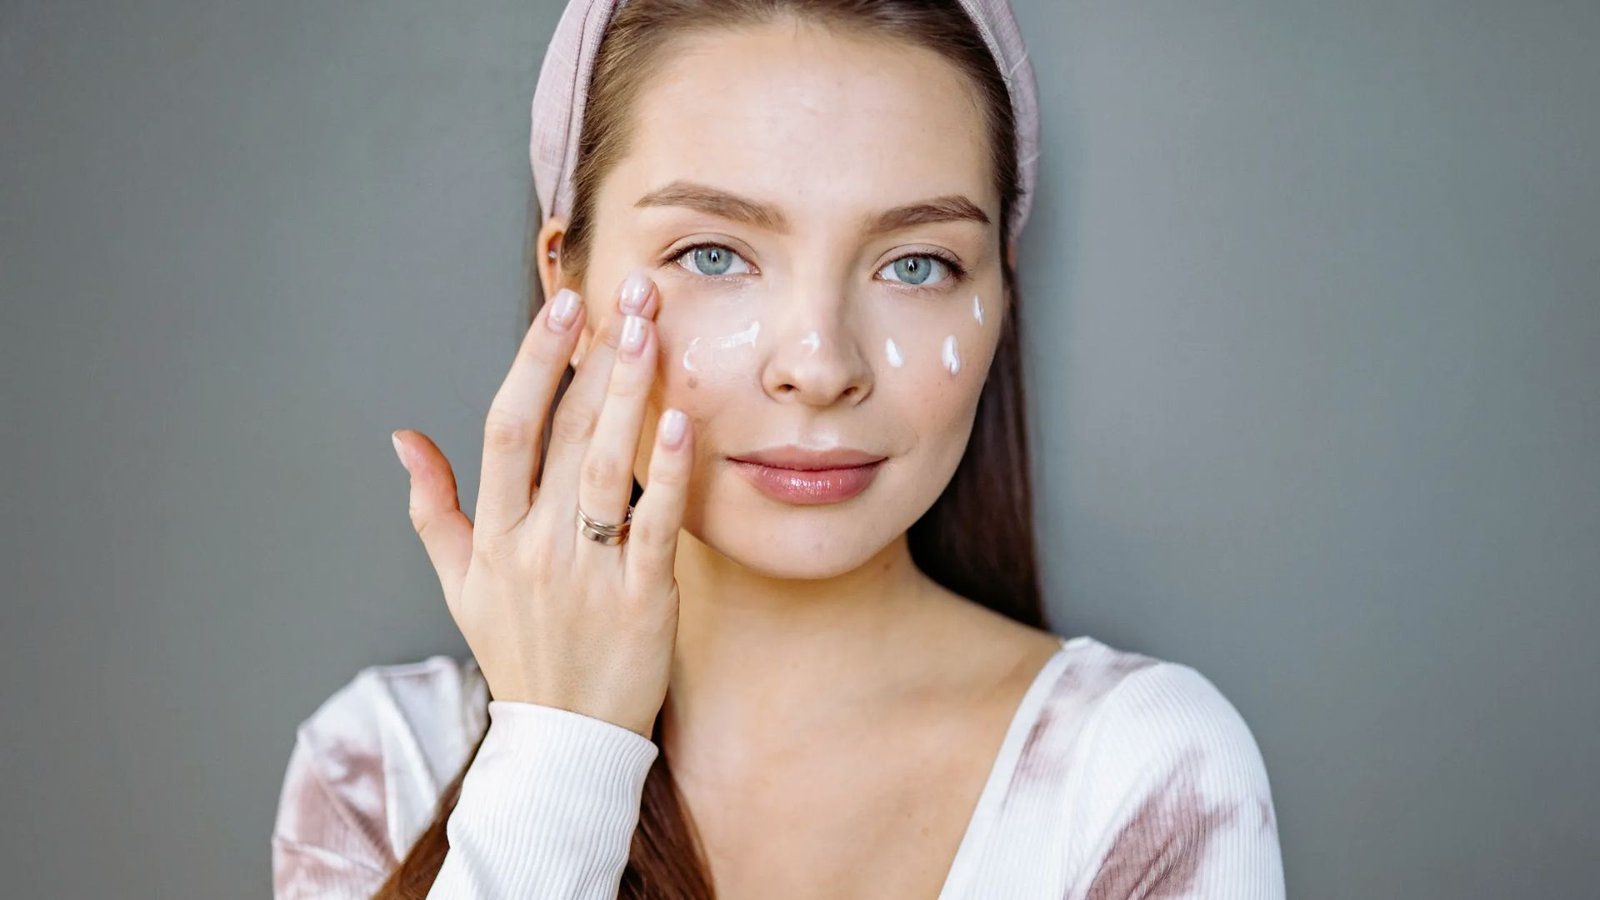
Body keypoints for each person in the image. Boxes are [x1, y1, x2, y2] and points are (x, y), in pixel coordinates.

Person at [271, 0, 1287, 897]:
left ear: (1000, 298)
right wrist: (560, 757)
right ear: (564, 281)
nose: (819, 363)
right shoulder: (382, 771)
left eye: (919, 263)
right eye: (713, 254)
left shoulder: (1139, 778)